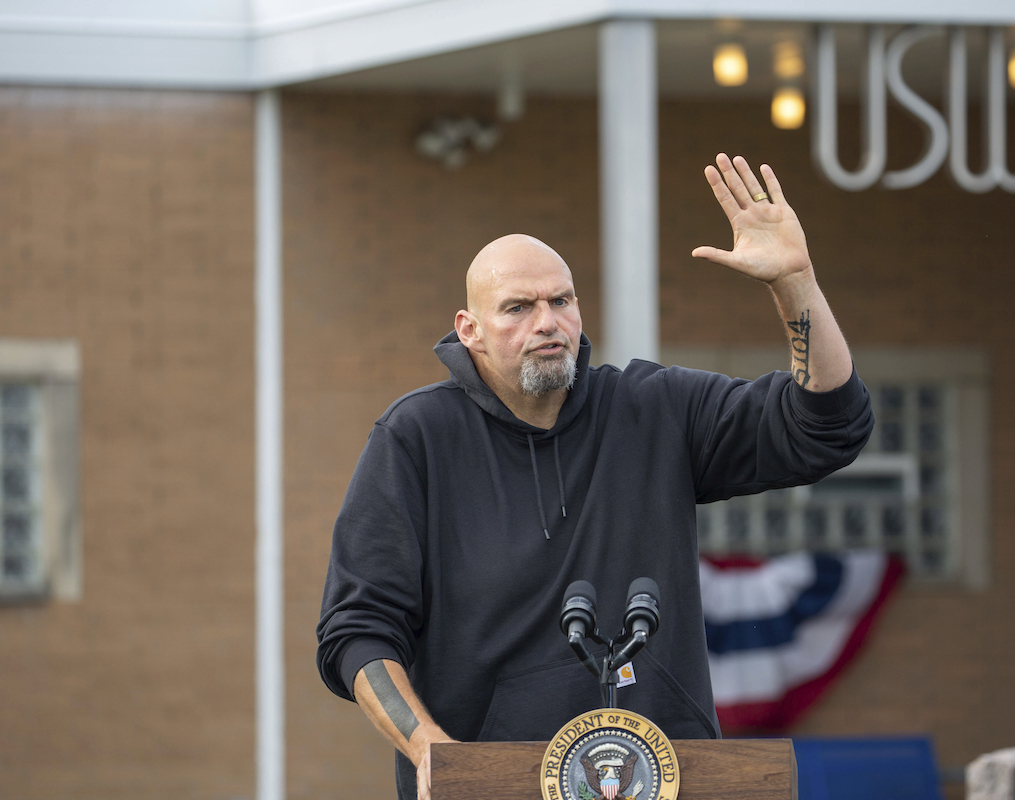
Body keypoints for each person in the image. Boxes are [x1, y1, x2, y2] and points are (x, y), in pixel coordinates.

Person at [316, 153, 874, 800]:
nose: (546, 322)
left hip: (670, 778)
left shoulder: (656, 408)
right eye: (517, 307)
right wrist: (430, 749)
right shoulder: (415, 438)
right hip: (492, 784)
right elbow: (358, 631)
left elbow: (826, 428)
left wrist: (796, 284)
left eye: (561, 300)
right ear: (469, 330)